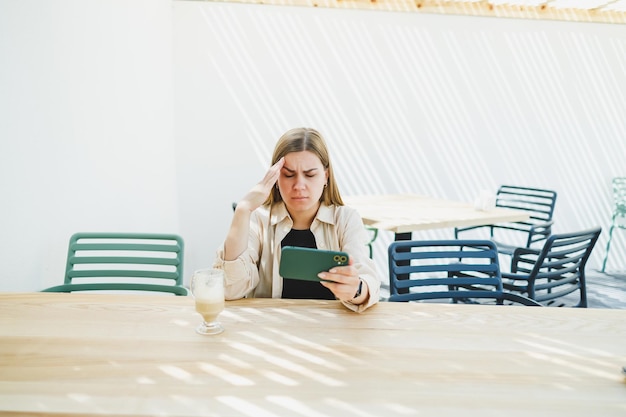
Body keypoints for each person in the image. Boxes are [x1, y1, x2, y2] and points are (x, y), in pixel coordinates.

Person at [214, 127, 381, 312]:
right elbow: (230, 289)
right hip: (273, 329)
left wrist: (356, 289)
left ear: (326, 176)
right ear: (276, 178)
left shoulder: (345, 219)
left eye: (310, 175)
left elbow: (368, 281)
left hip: (332, 329)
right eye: (288, 175)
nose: (299, 185)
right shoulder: (259, 220)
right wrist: (243, 209)